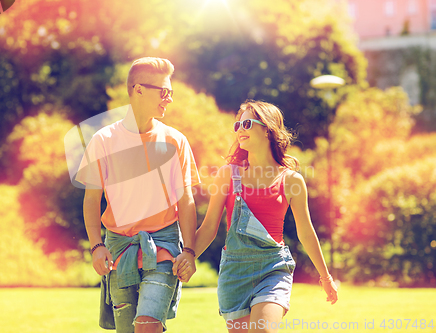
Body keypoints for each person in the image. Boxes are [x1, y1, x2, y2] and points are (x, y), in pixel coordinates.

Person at [173, 100, 338, 332]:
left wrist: (325, 277)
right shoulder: (227, 176)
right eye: (238, 125)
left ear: (268, 129)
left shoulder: (291, 180)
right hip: (235, 273)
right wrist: (188, 255)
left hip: (273, 268)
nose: (240, 129)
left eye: (247, 123)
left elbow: (306, 231)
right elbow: (209, 227)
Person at [76, 57, 200, 333]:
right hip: (119, 249)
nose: (169, 99)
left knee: (147, 325)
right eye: (163, 92)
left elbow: (186, 202)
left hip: (164, 247)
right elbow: (91, 201)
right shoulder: (104, 141)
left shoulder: (175, 141)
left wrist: (189, 251)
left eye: (171, 93)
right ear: (138, 89)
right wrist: (97, 246)